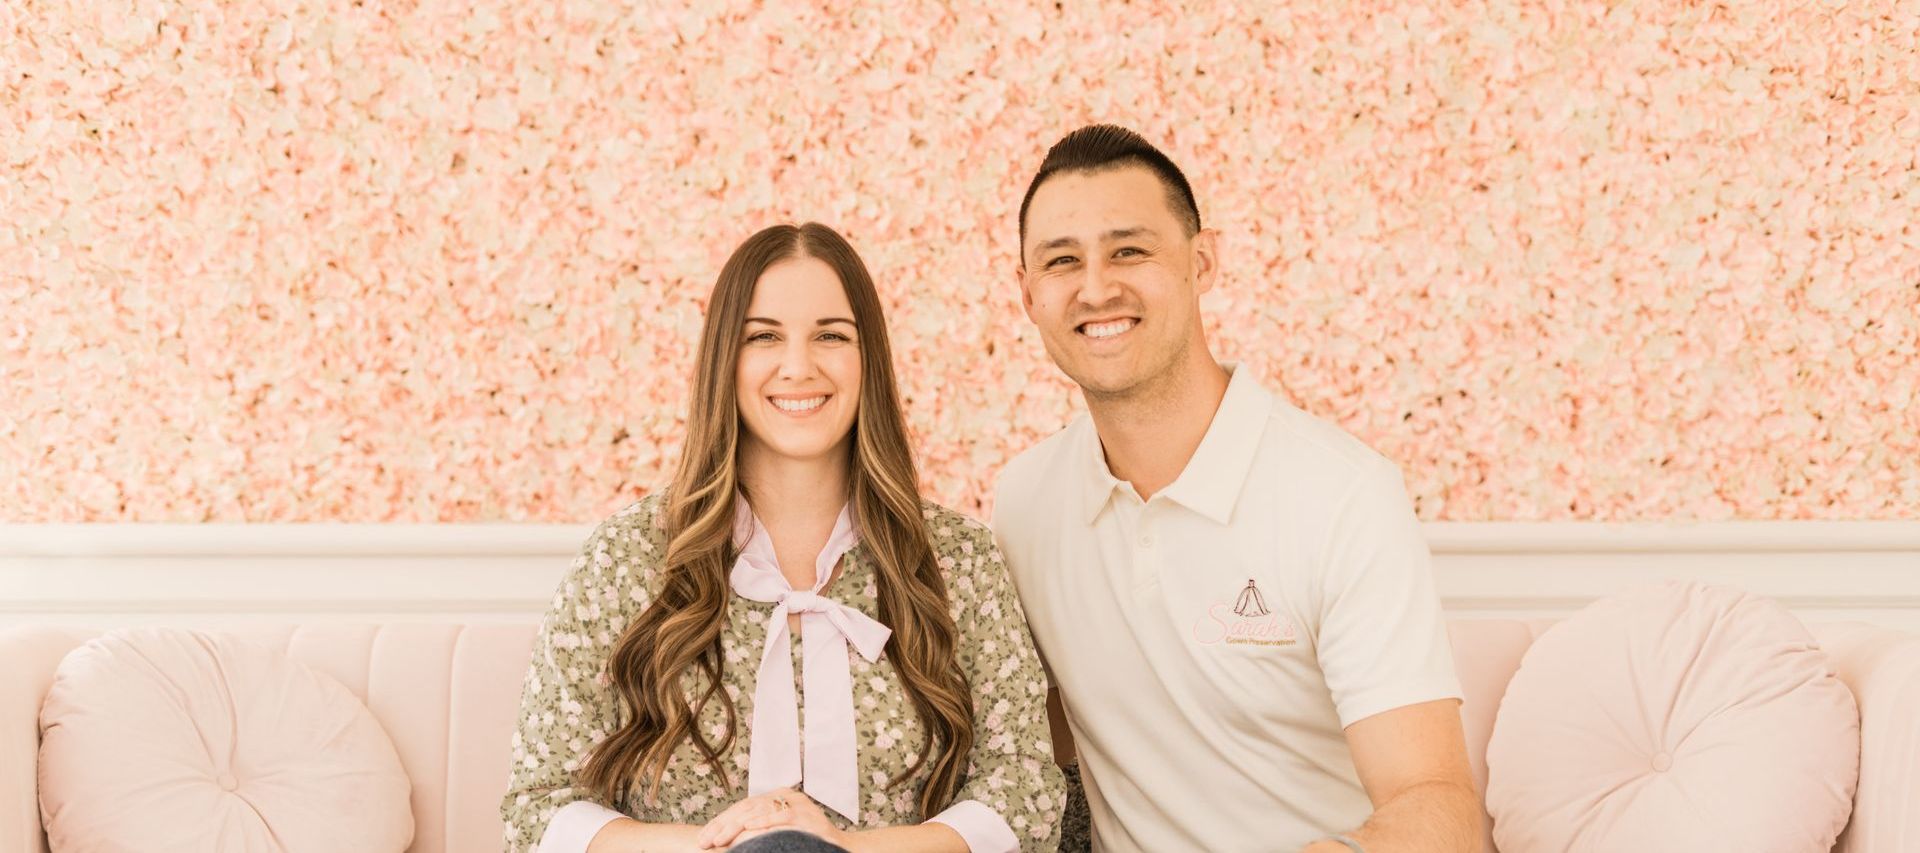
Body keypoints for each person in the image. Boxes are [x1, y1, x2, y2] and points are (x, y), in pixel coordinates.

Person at [992, 125, 1480, 852]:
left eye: (1130, 249)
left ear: (1202, 261)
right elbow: (1028, 749)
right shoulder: (1024, 502)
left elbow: (1438, 806)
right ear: (1027, 293)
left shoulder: (1343, 495)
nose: (1097, 286)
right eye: (1063, 261)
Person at [503, 223, 1064, 853]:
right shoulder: (628, 560)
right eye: (764, 337)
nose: (798, 366)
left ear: (867, 359)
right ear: (725, 359)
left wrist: (844, 851)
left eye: (830, 335)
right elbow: (538, 808)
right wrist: (723, 847)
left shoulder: (958, 560)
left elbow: (1024, 795)